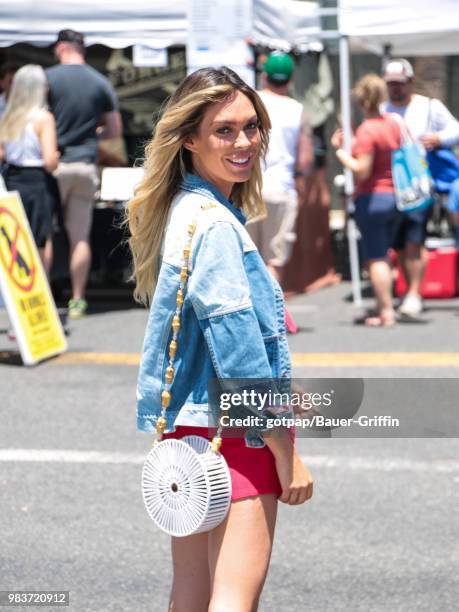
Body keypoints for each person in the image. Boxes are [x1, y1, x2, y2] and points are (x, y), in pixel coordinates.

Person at [128, 66, 313, 611]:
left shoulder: (186, 208)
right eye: (224, 130)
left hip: (189, 431)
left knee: (190, 592)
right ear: (189, 138)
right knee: (233, 600)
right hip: (236, 435)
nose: (244, 142)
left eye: (252, 127)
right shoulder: (213, 222)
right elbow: (239, 353)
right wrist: (286, 454)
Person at [46, 29, 122, 319]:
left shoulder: (48, 78)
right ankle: (78, 299)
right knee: (80, 237)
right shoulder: (100, 81)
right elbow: (113, 130)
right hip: (86, 166)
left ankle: (47, 299)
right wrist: (91, 133)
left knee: (47, 235)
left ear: (62, 47)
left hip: (55, 165)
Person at [381, 58, 459, 316]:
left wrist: (439, 138)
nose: (395, 89)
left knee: (416, 241)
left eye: (400, 84)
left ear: (410, 83)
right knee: (400, 244)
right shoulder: (383, 109)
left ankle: (415, 291)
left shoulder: (428, 106)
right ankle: (407, 289)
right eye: (391, 84)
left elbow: (455, 129)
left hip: (420, 185)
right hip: (392, 185)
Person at [332, 73, 402, 327]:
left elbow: (362, 169)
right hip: (395, 196)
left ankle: (386, 311)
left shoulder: (367, 130)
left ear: (361, 101)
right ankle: (388, 304)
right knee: (386, 253)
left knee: (376, 257)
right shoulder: (392, 124)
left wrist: (340, 152)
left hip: (373, 198)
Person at [247, 51, 313, 282]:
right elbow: (305, 160)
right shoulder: (298, 109)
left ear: (264, 77)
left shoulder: (250, 102)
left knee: (246, 259)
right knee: (274, 261)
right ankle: (272, 316)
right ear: (291, 79)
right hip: (281, 188)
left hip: (248, 187)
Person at [0, 65, 59, 269]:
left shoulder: (8, 116)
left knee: (13, 236)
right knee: (41, 238)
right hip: (37, 181)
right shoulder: (43, 118)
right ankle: (43, 290)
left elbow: (2, 154)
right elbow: (50, 161)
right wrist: (57, 157)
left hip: (11, 179)